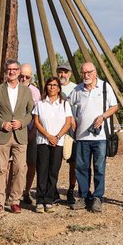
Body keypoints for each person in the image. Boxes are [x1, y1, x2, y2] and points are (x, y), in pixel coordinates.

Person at [69, 61, 118, 212]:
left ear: (95, 72)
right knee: (82, 168)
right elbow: (67, 105)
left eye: (89, 72)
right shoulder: (77, 90)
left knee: (99, 168)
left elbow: (114, 106)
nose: (86, 75)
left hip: (101, 137)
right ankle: (84, 197)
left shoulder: (104, 87)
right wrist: (71, 118)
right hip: (82, 136)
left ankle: (98, 198)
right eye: (84, 73)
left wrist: (103, 116)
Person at [0, 60, 33, 214]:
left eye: (15, 69)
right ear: (5, 71)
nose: (12, 72)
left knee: (20, 169)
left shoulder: (26, 91)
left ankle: (15, 200)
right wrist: (2, 123)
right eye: (9, 69)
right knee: (1, 169)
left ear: (19, 71)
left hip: (20, 135)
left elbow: (30, 113)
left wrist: (21, 123)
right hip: (3, 135)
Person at [32, 75, 74, 212]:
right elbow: (37, 122)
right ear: (46, 87)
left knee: (53, 171)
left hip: (58, 142)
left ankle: (49, 199)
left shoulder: (64, 104)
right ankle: (39, 200)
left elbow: (68, 122)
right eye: (49, 85)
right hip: (43, 141)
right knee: (42, 170)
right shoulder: (40, 104)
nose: (52, 88)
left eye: (55, 85)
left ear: (59, 88)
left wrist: (57, 136)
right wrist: (48, 136)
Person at [18, 63, 42, 208]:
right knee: (14, 165)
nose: (24, 79)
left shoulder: (35, 91)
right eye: (21, 76)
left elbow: (36, 113)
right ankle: (12, 192)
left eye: (27, 76)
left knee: (31, 163)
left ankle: (26, 191)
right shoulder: (11, 89)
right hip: (15, 131)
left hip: (31, 131)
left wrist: (33, 132)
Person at [56, 63, 78, 203]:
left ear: (69, 73)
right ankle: (53, 189)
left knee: (73, 162)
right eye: (60, 72)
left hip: (72, 130)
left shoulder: (76, 88)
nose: (62, 75)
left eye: (65, 72)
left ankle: (71, 189)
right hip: (56, 130)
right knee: (55, 162)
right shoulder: (53, 87)